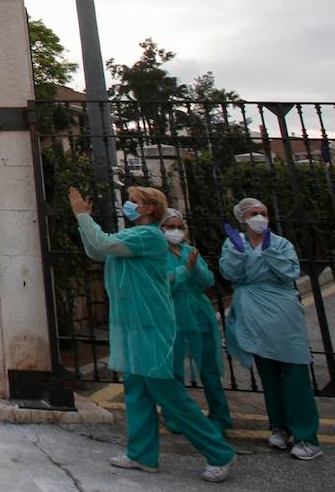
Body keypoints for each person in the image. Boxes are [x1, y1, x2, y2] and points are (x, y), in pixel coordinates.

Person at [68, 185, 235, 483]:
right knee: (137, 391)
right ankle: (142, 454)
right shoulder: (134, 236)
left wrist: (82, 215)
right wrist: (84, 221)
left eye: (134, 201)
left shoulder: (147, 236)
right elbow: (96, 250)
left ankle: (218, 452)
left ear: (147, 209)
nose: (128, 205)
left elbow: (102, 243)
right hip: (132, 323)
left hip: (150, 325)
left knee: (168, 394)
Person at [220, 197, 322, 461]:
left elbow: (289, 273)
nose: (260, 217)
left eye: (263, 212)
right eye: (254, 213)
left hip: (282, 312)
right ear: (242, 218)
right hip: (253, 312)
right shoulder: (234, 243)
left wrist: (269, 251)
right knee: (268, 374)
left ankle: (306, 435)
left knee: (295, 373)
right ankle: (279, 427)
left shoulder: (280, 244)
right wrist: (238, 252)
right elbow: (231, 274)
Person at [161, 208, 232, 433]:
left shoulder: (190, 250)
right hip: (172, 312)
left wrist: (194, 268)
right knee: (173, 370)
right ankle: (174, 415)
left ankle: (220, 416)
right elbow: (162, 283)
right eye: (170, 227)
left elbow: (207, 281)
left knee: (209, 368)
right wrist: (186, 270)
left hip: (198, 311)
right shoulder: (157, 253)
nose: (176, 231)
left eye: (179, 227)